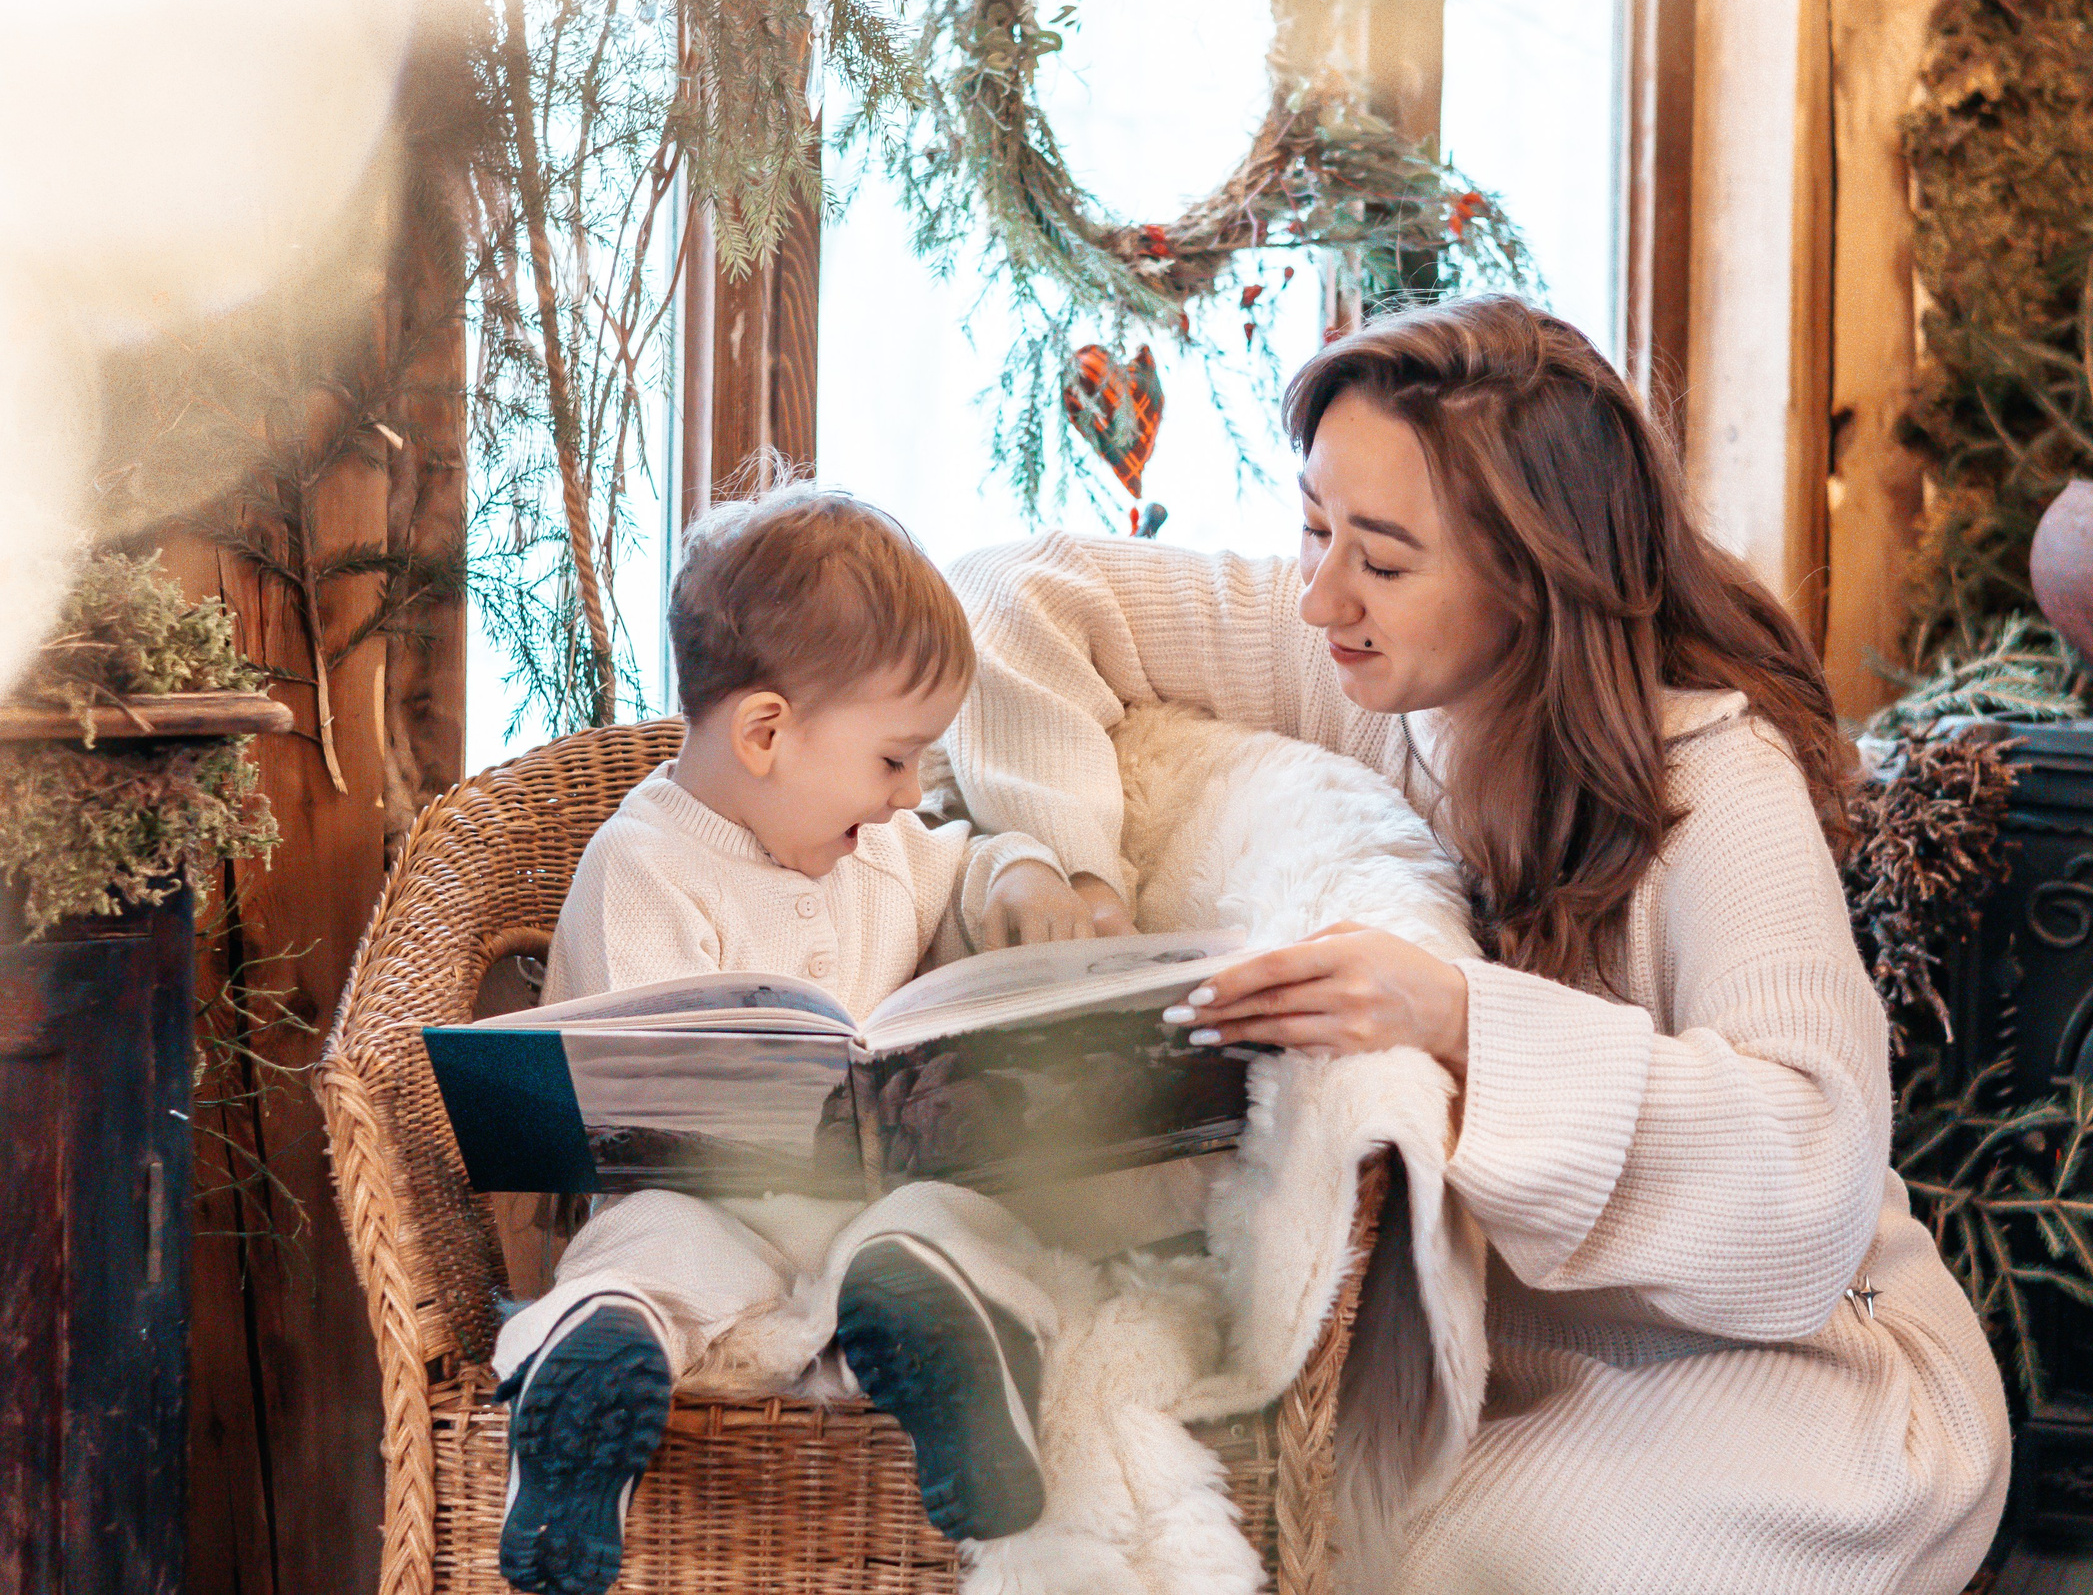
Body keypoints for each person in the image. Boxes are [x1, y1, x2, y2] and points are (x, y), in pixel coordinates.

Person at [941, 295, 2011, 1593]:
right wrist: (1061, 858)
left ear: (1527, 579)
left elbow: (1811, 1174)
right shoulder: (1357, 664)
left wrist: (1457, 1014)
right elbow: (1012, 595)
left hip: (1816, 1367)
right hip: (1543, 1351)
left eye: (1381, 560)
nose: (1321, 591)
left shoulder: (1719, 790)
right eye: (1311, 524)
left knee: (1467, 1555)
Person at [491, 486, 1102, 1595]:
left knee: (940, 1224)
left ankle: (953, 1361)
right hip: (703, 1209)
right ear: (766, 731)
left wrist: (1020, 870)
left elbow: (962, 857)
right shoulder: (643, 868)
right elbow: (647, 1127)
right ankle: (586, 1381)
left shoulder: (880, 844)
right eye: (894, 759)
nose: (913, 789)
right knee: (649, 1251)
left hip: (862, 1219)